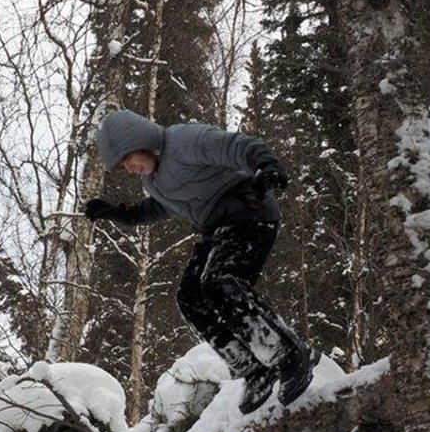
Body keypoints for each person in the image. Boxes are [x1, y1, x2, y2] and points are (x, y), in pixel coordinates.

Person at [84, 108, 320, 414]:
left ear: (140, 141)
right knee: (190, 295)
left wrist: (266, 164)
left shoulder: (184, 140)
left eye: (129, 160)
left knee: (219, 282)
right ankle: (253, 368)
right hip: (218, 229)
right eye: (124, 167)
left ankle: (289, 356)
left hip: (249, 210)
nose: (130, 169)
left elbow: (236, 146)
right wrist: (118, 213)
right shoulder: (154, 181)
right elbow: (158, 208)